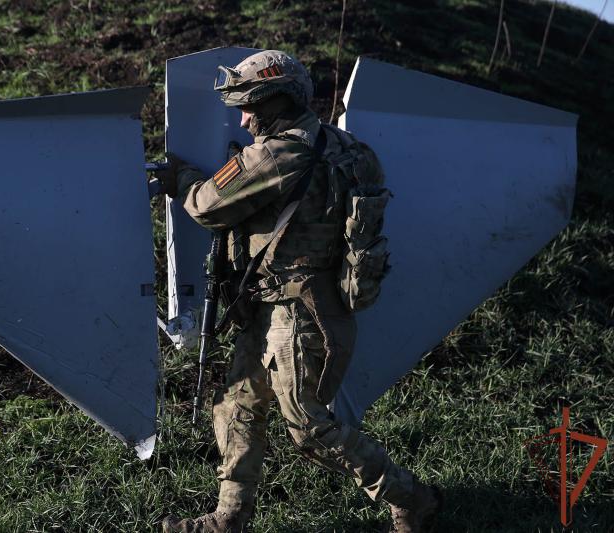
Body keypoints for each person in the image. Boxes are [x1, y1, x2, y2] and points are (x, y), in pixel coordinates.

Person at [155, 50, 441, 533]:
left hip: (296, 314)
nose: (243, 120)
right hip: (285, 304)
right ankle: (229, 518)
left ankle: (412, 498)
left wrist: (181, 178)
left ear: (279, 101)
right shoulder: (349, 148)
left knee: (309, 428)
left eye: (250, 107)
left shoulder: (276, 154)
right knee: (237, 404)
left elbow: (206, 205)